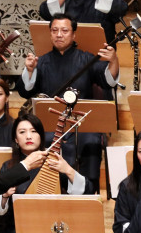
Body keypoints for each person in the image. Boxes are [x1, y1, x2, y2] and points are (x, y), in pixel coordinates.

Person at [16, 13, 118, 193]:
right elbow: (26, 91)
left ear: (74, 35)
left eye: (64, 30)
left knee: (91, 141)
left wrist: (113, 60)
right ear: (50, 34)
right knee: (39, 139)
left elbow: (107, 80)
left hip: (81, 124)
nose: (59, 34)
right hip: (49, 124)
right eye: (54, 30)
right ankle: (43, 189)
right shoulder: (43, 61)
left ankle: (89, 190)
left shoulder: (86, 59)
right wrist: (30, 70)